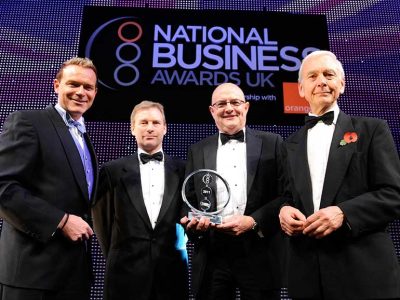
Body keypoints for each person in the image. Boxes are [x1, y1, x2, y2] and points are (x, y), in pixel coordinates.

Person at [279, 50, 400, 300]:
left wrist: (344, 213)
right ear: (301, 89)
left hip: (363, 273)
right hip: (307, 276)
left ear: (341, 85)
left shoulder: (372, 129)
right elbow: (288, 196)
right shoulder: (289, 144)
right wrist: (284, 211)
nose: (321, 81)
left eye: (328, 74)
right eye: (312, 76)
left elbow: (393, 194)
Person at [0, 57, 98, 300]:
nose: (80, 92)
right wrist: (61, 221)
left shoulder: (84, 137)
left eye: (87, 87)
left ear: (95, 92)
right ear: (56, 85)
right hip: (32, 276)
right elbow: (3, 187)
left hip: (73, 277)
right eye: (73, 84)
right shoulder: (28, 122)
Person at [181, 82, 285, 300]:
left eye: (235, 102)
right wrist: (195, 225)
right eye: (221, 104)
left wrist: (254, 220)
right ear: (212, 111)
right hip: (212, 255)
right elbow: (188, 201)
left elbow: (286, 195)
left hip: (260, 252)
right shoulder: (197, 150)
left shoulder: (272, 143)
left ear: (246, 107)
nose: (229, 108)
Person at [92, 100, 188, 300]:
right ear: (132, 129)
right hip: (124, 275)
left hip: (171, 275)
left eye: (155, 122)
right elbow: (102, 225)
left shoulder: (184, 170)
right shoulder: (111, 171)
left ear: (165, 128)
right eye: (143, 123)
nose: (150, 128)